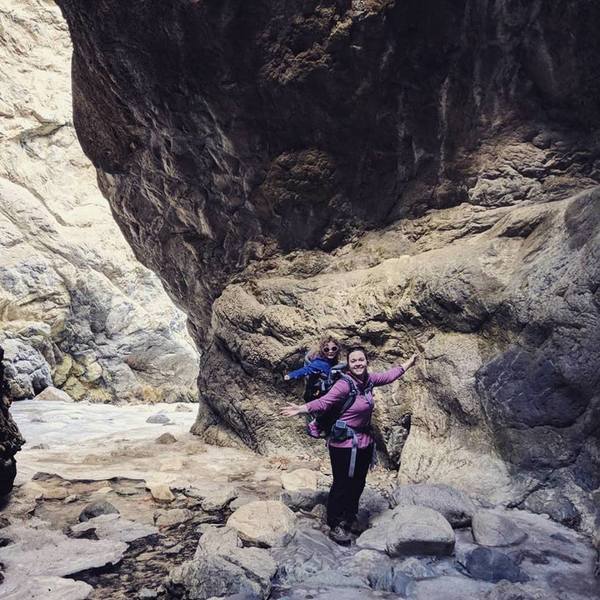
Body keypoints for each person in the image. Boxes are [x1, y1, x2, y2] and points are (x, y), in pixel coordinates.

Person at [281, 346, 418, 545]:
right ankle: (335, 522)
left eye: (361, 359)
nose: (358, 363)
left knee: (358, 482)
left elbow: (389, 376)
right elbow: (325, 402)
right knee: (342, 483)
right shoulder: (344, 385)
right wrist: (302, 409)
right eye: (353, 361)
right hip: (342, 444)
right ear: (349, 364)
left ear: (366, 361)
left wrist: (409, 363)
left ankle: (350, 517)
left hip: (363, 442)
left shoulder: (369, 380)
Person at [284, 335, 343, 402]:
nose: (330, 351)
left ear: (338, 349)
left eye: (334, 348)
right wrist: (291, 375)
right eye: (326, 349)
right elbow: (307, 369)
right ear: (322, 350)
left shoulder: (333, 361)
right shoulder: (320, 363)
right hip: (317, 393)